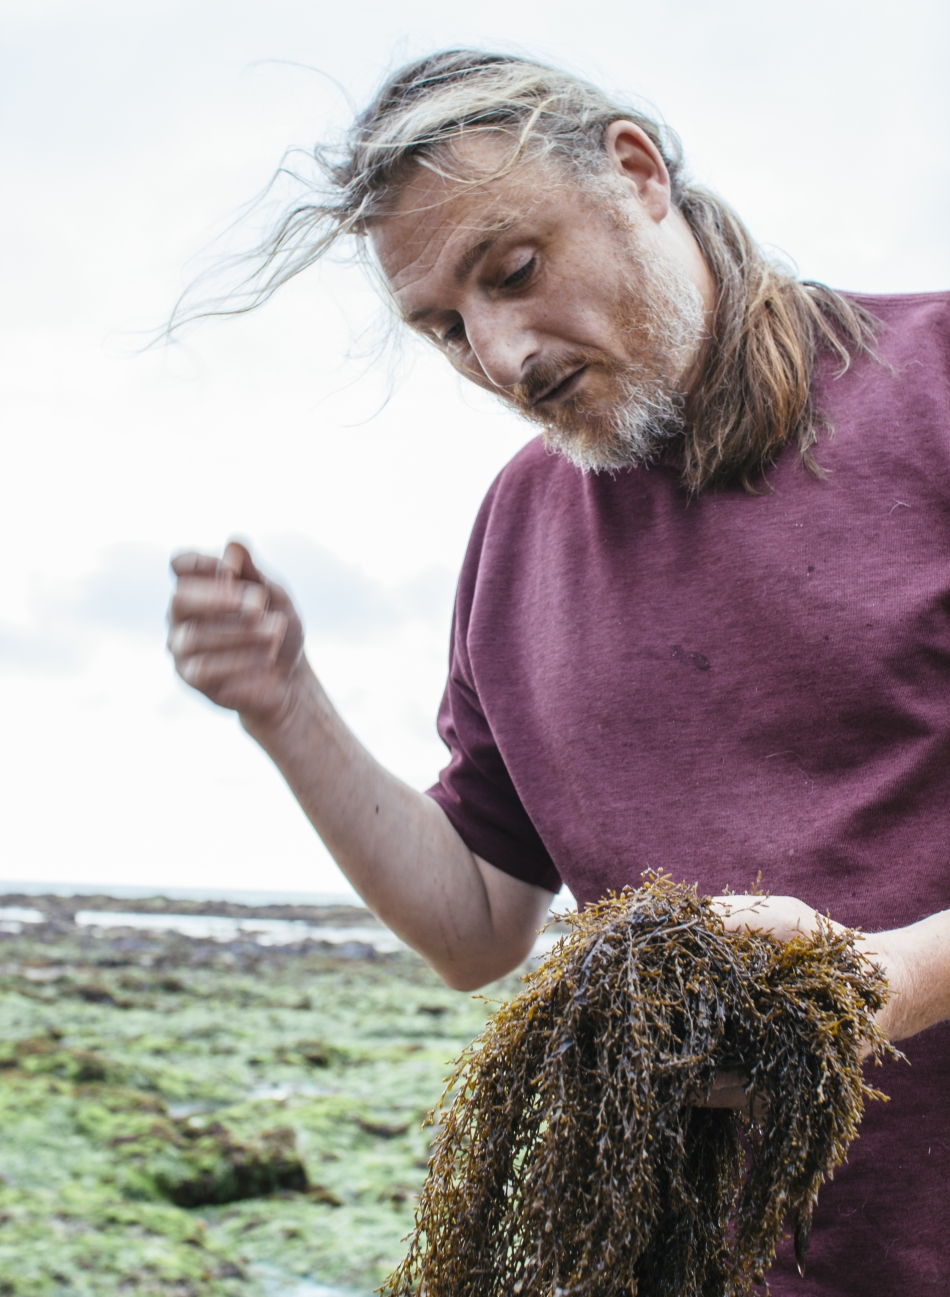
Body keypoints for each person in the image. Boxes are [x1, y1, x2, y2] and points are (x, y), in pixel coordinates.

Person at [167, 51, 949, 1294]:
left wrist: (890, 980)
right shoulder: (518, 530)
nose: (499, 355)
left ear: (634, 173)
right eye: (442, 327)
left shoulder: (935, 391)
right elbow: (475, 925)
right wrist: (284, 706)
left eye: (513, 271)